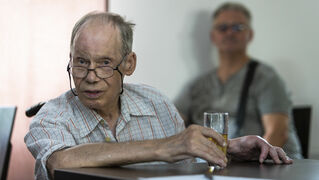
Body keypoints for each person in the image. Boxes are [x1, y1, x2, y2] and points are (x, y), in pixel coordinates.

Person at [25, 11, 293, 180]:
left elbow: (187, 162)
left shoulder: (155, 102)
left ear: (129, 64)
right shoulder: (53, 114)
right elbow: (59, 161)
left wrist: (227, 149)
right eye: (81, 62)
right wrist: (165, 146)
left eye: (105, 63)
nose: (91, 76)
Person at [175, 2, 302, 159]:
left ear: (250, 34)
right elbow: (171, 124)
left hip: (264, 167)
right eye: (222, 28)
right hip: (215, 168)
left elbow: (278, 133)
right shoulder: (197, 85)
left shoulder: (266, 78)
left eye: (238, 27)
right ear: (212, 36)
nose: (230, 33)